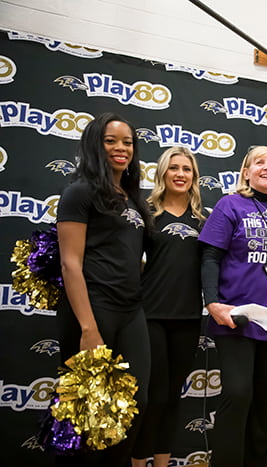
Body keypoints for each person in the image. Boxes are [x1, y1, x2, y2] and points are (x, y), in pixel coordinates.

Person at [55, 112, 152, 466]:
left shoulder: (131, 198)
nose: (121, 148)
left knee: (135, 403)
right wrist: (88, 327)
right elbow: (70, 264)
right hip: (93, 309)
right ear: (96, 144)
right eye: (111, 141)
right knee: (86, 413)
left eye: (127, 142)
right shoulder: (79, 192)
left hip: (130, 311)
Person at [198, 146, 267, 467]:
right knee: (238, 394)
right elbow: (211, 256)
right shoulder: (231, 204)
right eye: (260, 162)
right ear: (246, 172)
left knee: (263, 402)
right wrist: (212, 302)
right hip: (236, 317)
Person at [131, 147, 207, 467]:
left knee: (173, 397)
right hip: (150, 316)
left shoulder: (205, 220)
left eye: (186, 169)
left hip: (188, 318)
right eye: (173, 167)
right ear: (162, 173)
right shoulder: (146, 213)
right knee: (152, 398)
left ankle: (162, 463)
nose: (180, 174)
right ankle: (137, 461)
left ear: (194, 176)